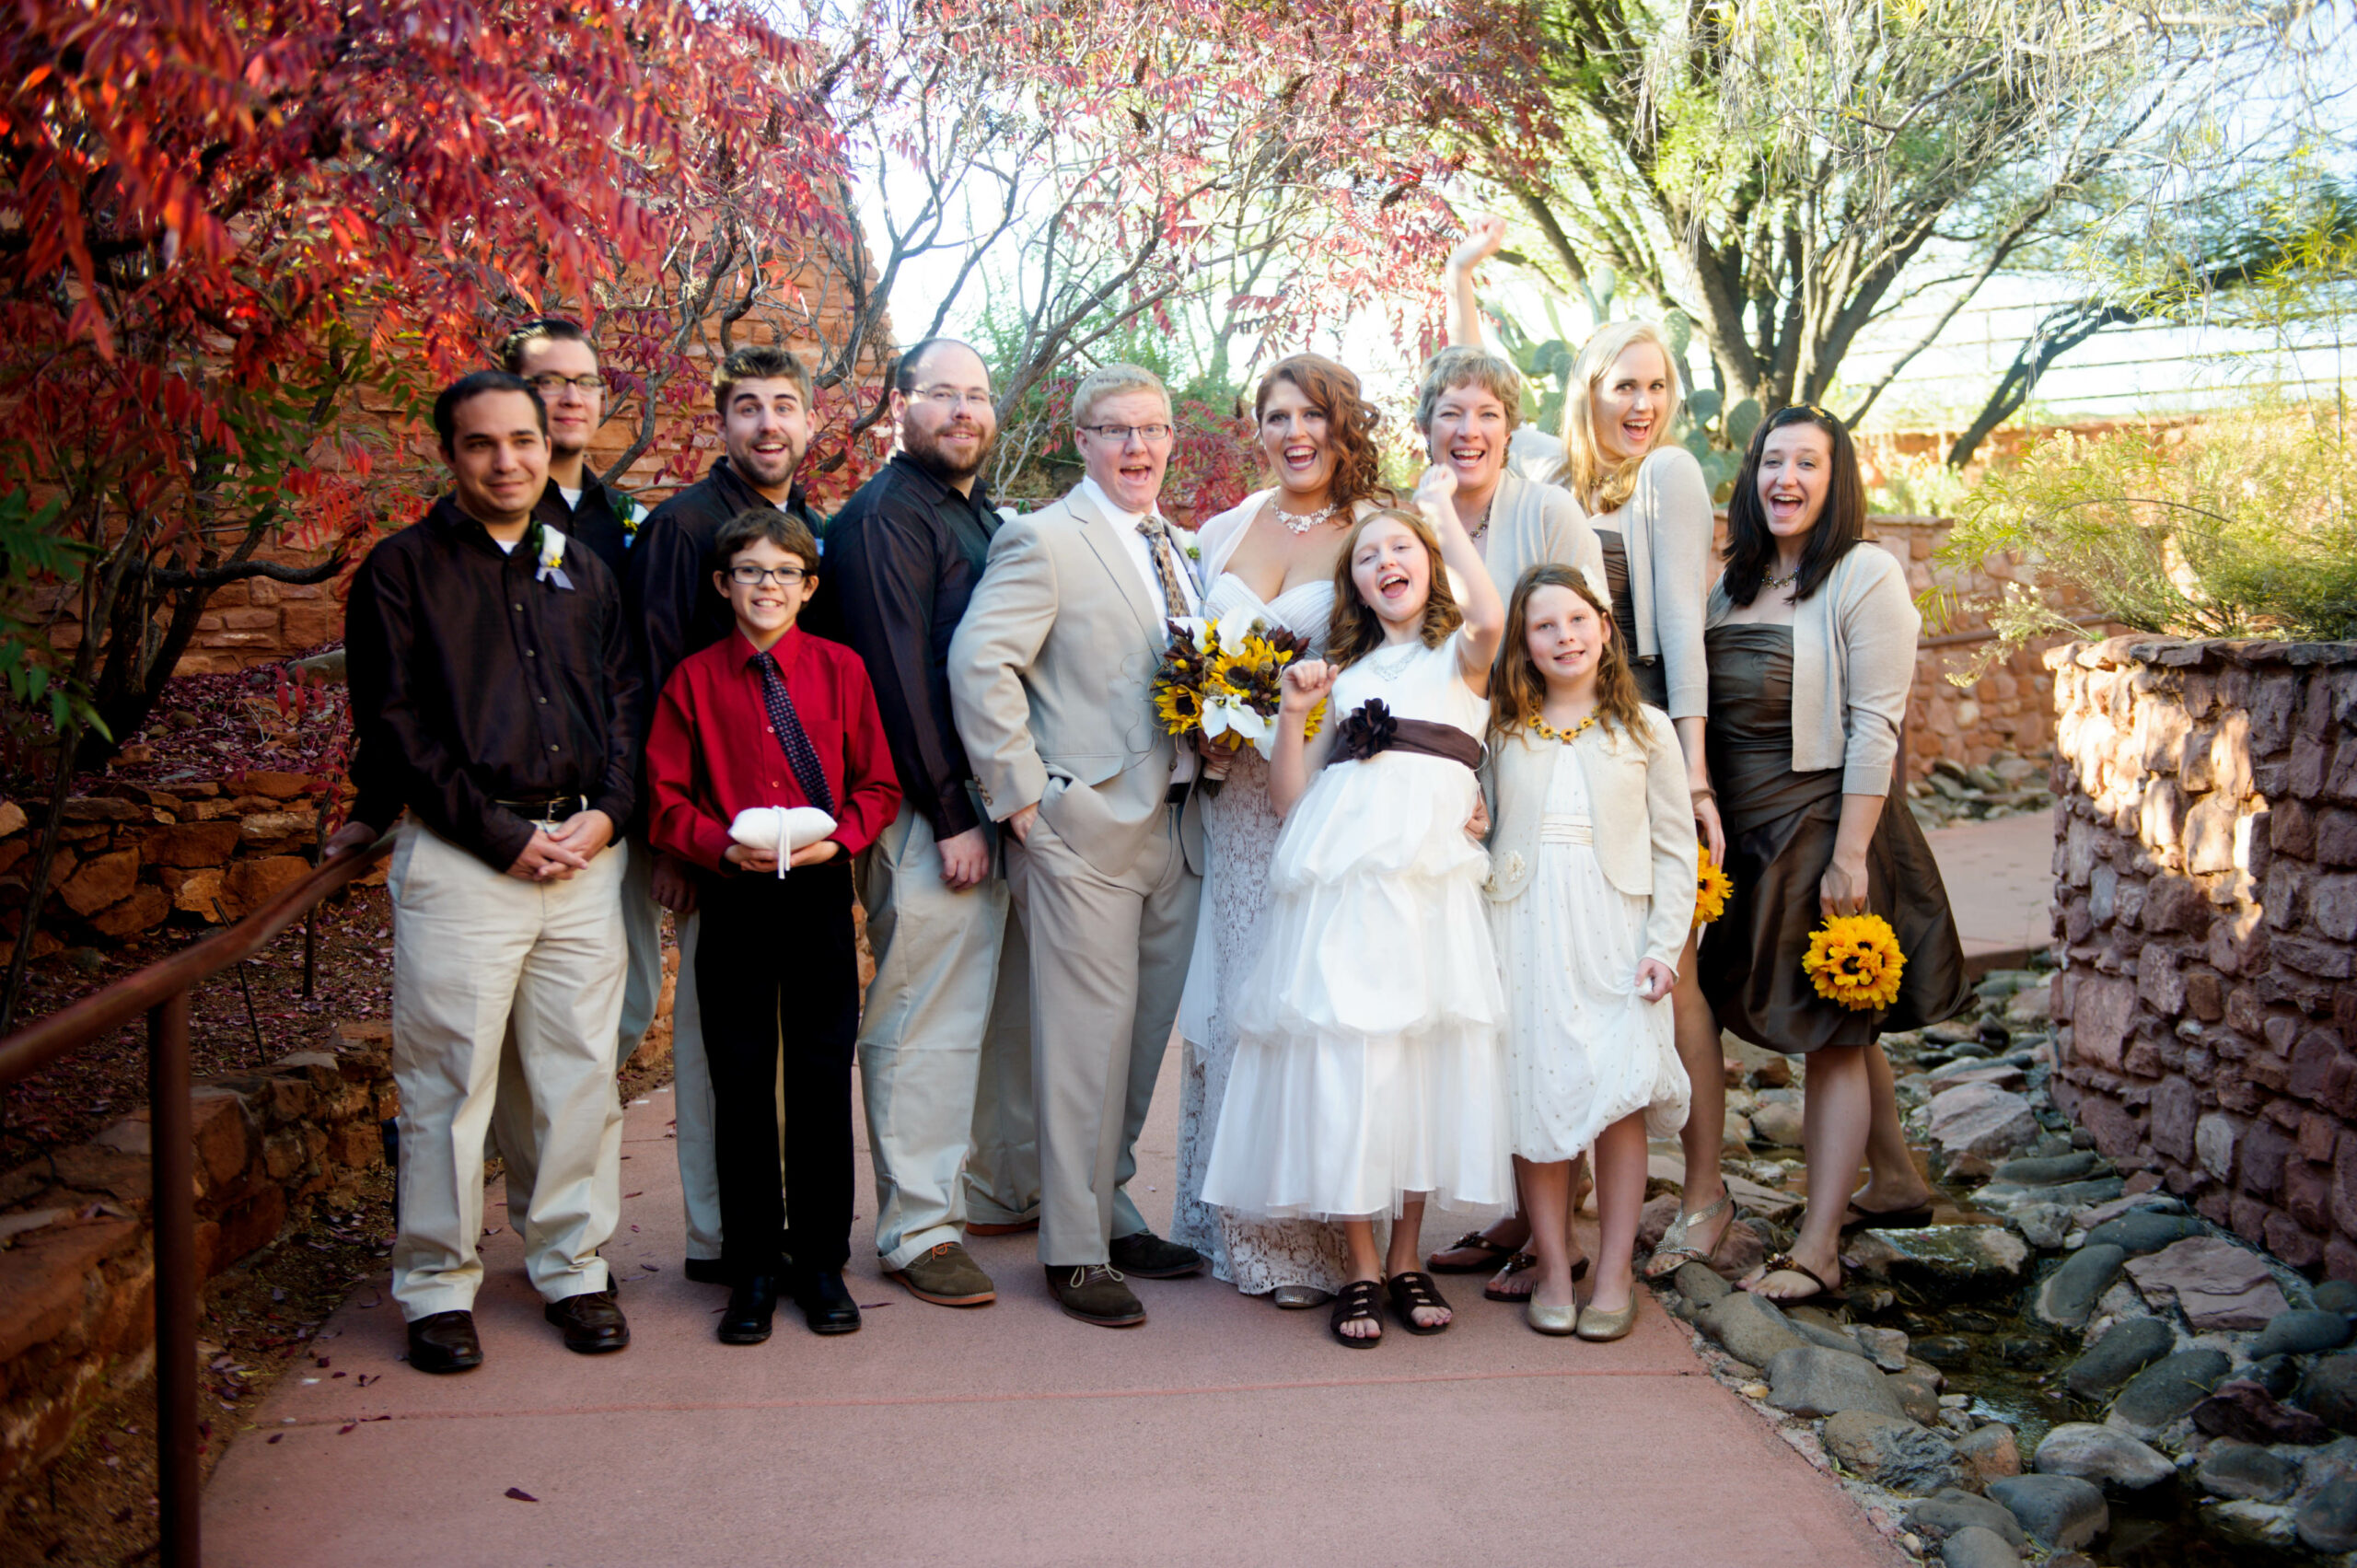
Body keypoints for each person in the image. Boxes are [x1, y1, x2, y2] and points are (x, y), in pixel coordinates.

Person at [1436, 226, 1727, 1295]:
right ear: (1583, 393)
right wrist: (1459, 285)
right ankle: (1540, 1224)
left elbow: (1682, 629)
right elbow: (1473, 406)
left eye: (1655, 385)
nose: (1638, 404)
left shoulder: (1673, 476)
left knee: (1658, 970)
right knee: (1546, 985)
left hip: (1636, 715)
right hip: (1537, 719)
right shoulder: (1553, 474)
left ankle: (1698, 1187)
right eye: (1618, 385)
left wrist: (1690, 772)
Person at [332, 370, 638, 1372]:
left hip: (584, 857)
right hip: (468, 860)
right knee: (448, 1078)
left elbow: (627, 700)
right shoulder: (400, 570)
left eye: (523, 439)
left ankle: (570, 1261)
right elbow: (395, 727)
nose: (506, 460)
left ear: (548, 442)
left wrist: (607, 815)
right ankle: (434, 1281)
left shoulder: (583, 568)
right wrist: (503, 834)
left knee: (577, 1074)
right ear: (448, 453)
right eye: (481, 444)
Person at [1201, 469, 1513, 1348]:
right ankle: (1362, 1264)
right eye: (1367, 556)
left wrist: (1441, 512)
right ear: (1355, 585)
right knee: (1349, 1063)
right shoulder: (1345, 674)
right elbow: (1294, 804)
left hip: (1424, 886)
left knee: (1419, 1059)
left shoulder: (1460, 656)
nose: (1384, 563)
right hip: (1341, 890)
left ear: (1430, 564)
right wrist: (1297, 716)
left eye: (1400, 549)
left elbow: (1488, 616)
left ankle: (1411, 1253)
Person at [948, 362, 1209, 1329]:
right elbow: (981, 664)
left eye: (1151, 429)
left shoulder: (1182, 548)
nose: (1137, 447)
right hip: (1082, 829)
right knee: (1080, 1047)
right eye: (1115, 430)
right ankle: (1073, 1246)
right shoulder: (1041, 539)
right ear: (1083, 441)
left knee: (1140, 1044)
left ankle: (1110, 1200)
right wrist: (1025, 801)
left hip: (1182, 826)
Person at [1701, 404, 1969, 1307]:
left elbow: (1875, 723)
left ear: (1834, 478)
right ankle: (1891, 1179)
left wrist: (1850, 855)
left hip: (1825, 822)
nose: (1785, 478)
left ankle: (1817, 1245)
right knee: (1839, 1023)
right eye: (1771, 461)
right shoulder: (1730, 585)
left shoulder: (1864, 574)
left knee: (1828, 1033)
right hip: (1749, 832)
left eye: (1806, 463)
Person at [643, 507, 901, 1342]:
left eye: (784, 572)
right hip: (737, 898)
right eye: (750, 571)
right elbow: (666, 797)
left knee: (823, 1079)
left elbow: (878, 786)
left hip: (819, 894)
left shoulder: (841, 671)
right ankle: (752, 1266)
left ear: (808, 586)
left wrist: (843, 840)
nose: (767, 586)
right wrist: (718, 847)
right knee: (743, 1082)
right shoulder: (692, 681)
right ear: (724, 583)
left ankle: (822, 1264)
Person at [1170, 354, 1389, 1311]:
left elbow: (1404, 661)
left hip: (1324, 798)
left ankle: (1315, 1234)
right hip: (1231, 801)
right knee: (1229, 1004)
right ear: (1254, 428)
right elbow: (1182, 649)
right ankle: (1231, 1227)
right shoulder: (1220, 530)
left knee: (1307, 1008)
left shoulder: (1373, 535)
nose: (1295, 432)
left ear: (1346, 428)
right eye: (1275, 415)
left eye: (1314, 415)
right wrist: (1200, 726)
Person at [819, 338, 1033, 1311]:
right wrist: (952, 812)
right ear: (897, 402)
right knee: (922, 1018)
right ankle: (916, 1226)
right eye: (942, 393)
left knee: (973, 1016)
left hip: (977, 802)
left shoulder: (970, 509)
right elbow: (897, 680)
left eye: (977, 396)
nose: (963, 410)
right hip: (922, 808)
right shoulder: (881, 520)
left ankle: (976, 1190)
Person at [624, 343, 827, 1283]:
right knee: (721, 1055)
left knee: (797, 1063)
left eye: (785, 405)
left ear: (811, 421)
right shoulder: (679, 531)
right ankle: (720, 1236)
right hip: (711, 844)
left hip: (799, 847)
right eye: (748, 406)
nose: (768, 424)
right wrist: (667, 843)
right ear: (724, 421)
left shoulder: (804, 532)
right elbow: (651, 680)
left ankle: (789, 1233)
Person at [1481, 566, 1694, 1339]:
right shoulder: (1501, 729)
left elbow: (1677, 850)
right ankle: (1550, 1262)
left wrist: (1665, 946)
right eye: (1544, 626)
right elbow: (1481, 821)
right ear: (1524, 643)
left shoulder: (1647, 729)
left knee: (1617, 1096)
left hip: (1615, 929)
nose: (1564, 636)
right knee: (1535, 1093)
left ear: (1605, 628)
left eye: (1577, 620)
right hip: (1525, 922)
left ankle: (1613, 1273)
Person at [484, 318, 656, 1229]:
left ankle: (540, 1184)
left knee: (621, 1009)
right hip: (505, 810)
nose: (570, 396)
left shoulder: (628, 520)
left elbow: (646, 666)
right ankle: (545, 1212)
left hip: (610, 807)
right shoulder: (488, 518)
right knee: (514, 1025)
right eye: (547, 382)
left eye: (585, 380)